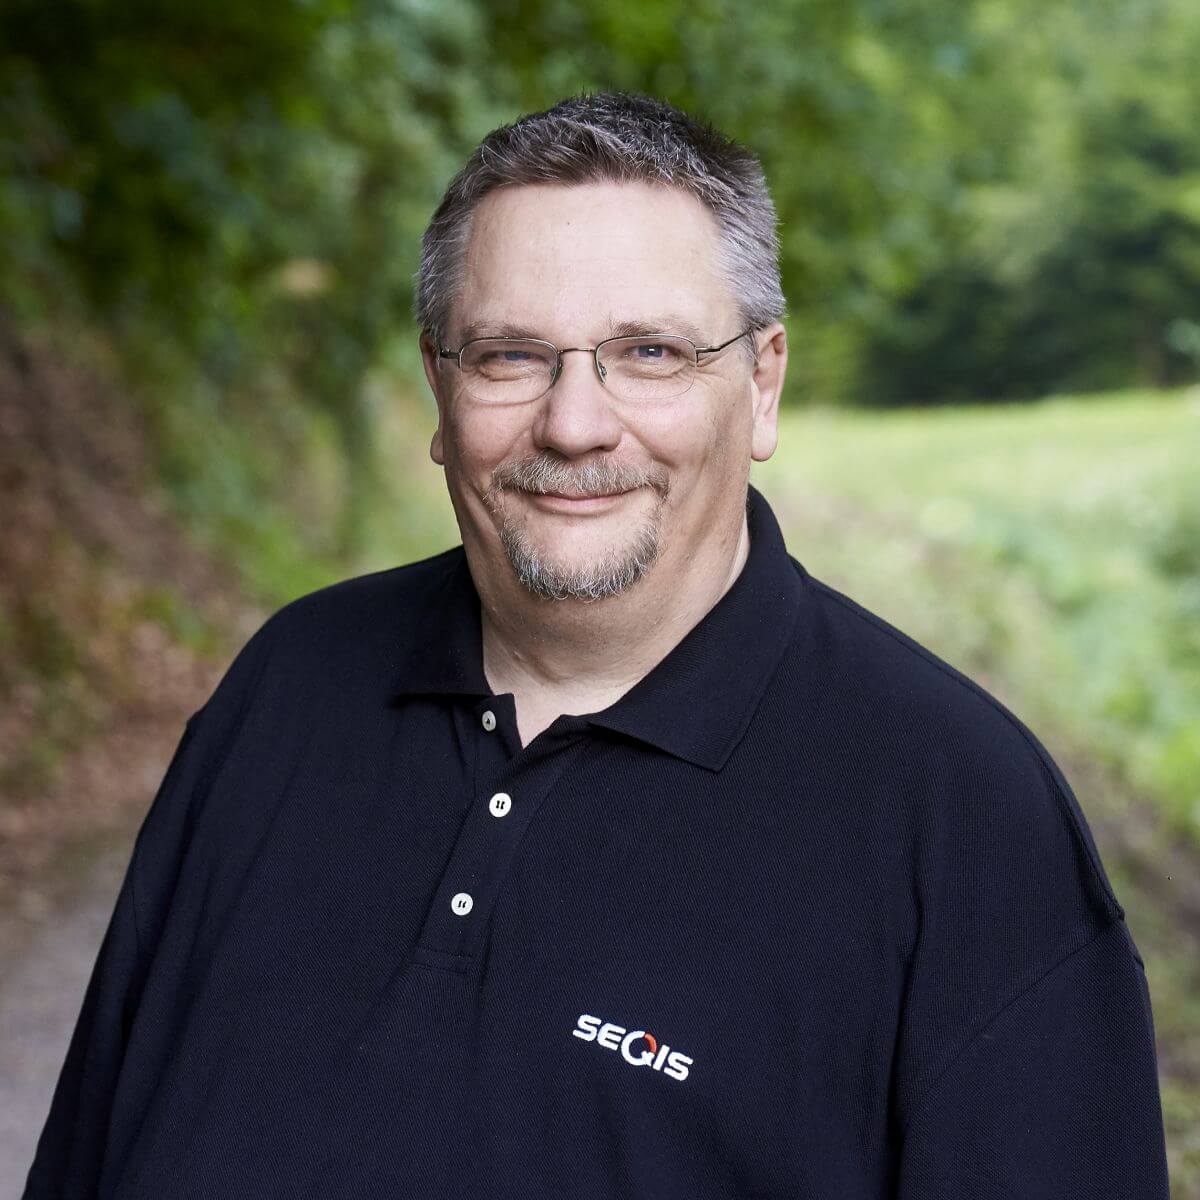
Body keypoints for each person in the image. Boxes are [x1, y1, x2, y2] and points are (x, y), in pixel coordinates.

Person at [23, 91, 1170, 1200]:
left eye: (652, 353)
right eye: (510, 355)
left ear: (763, 382)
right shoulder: (289, 685)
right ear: (438, 387)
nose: (574, 425)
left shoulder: (966, 823)